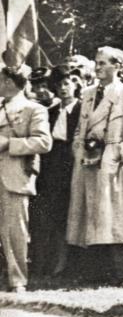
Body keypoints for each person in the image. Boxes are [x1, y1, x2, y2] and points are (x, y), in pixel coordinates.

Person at [67, 46, 123, 286]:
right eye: (96, 62)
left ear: (117, 66)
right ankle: (95, 272)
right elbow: (79, 130)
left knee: (117, 219)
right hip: (87, 164)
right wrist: (79, 149)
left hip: (114, 168)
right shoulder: (87, 94)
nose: (98, 67)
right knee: (92, 216)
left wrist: (117, 154)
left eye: (103, 63)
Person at [0, 66, 53, 293]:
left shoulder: (34, 109)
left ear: (10, 82)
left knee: (14, 231)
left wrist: (9, 144)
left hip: (14, 175)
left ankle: (17, 279)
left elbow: (43, 142)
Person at [31, 70, 80, 283]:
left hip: (75, 166)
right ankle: (50, 264)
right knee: (52, 217)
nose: (63, 88)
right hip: (52, 170)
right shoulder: (50, 112)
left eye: (67, 83)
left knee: (72, 215)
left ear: (75, 85)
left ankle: (70, 265)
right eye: (59, 84)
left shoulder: (82, 111)